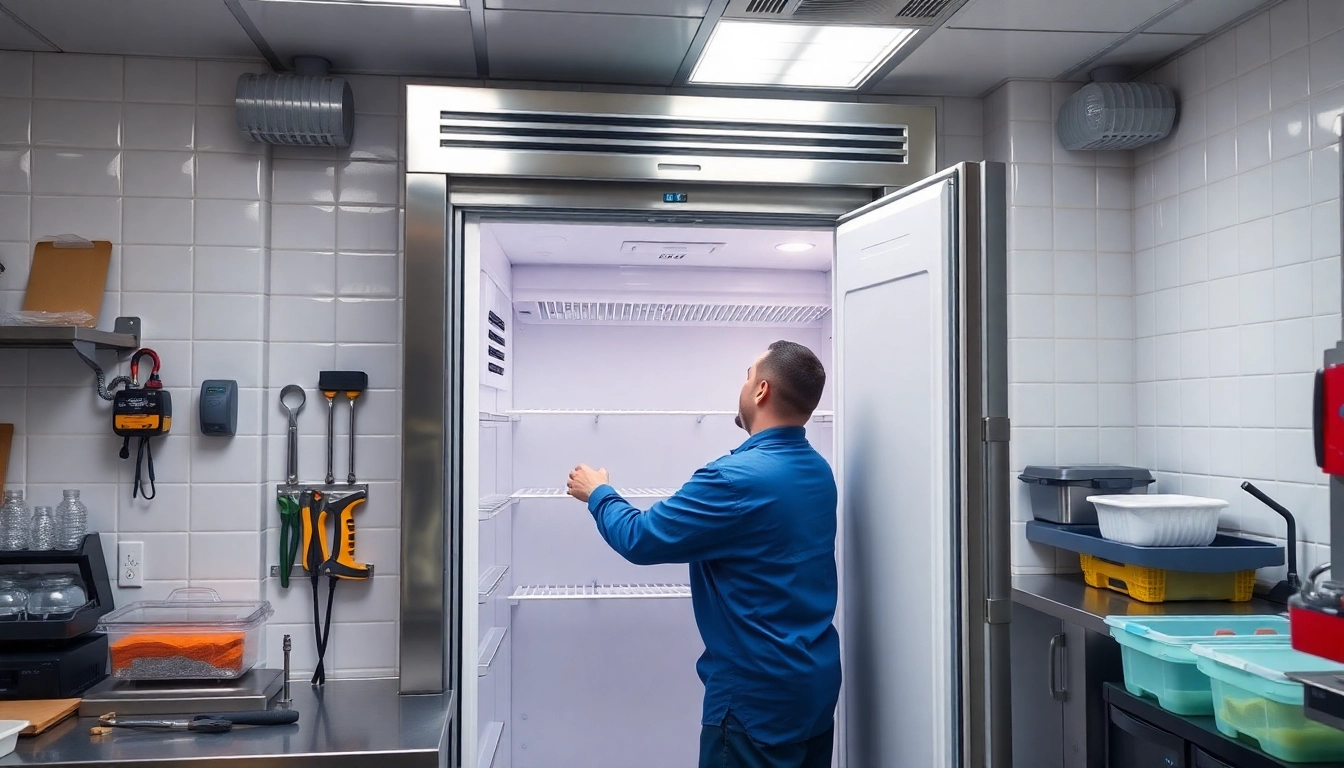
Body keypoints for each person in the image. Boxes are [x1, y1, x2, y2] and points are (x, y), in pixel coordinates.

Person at [566, 340, 840, 768]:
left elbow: (639, 538)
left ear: (762, 391)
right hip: (813, 688)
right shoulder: (818, 470)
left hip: (754, 701)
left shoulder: (734, 480)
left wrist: (597, 492)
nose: (744, 383)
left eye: (748, 375)